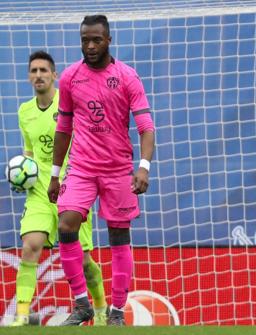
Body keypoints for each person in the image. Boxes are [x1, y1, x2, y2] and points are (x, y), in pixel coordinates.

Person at [47, 15, 155, 326]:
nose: (90, 46)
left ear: (109, 40)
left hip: (118, 168)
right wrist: (55, 174)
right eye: (85, 40)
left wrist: (143, 168)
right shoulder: (69, 78)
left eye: (96, 39)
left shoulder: (127, 77)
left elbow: (146, 127)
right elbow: (64, 127)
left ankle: (117, 312)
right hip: (81, 167)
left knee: (118, 235)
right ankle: (81, 304)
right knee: (66, 224)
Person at [11, 50, 107, 326]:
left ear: (55, 75)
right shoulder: (24, 111)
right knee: (31, 246)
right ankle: (20, 316)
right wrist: (23, 173)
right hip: (40, 191)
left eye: (44, 70)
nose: (38, 75)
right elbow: (29, 152)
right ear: (29, 77)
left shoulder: (70, 106)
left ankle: (100, 309)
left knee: (84, 260)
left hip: (73, 187)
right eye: (34, 71)